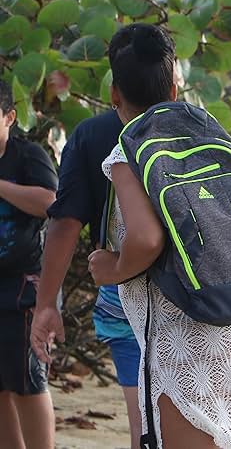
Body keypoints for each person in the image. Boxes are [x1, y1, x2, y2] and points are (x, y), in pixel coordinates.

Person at [86, 23, 231, 449]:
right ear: (174, 87)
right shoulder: (210, 136)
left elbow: (147, 239)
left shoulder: (128, 152)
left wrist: (113, 269)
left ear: (115, 93)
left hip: (181, 337)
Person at [31, 38, 142, 449]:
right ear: (173, 91)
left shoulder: (93, 134)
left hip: (125, 292)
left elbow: (65, 224)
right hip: (203, 296)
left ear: (113, 92)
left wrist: (47, 304)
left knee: (144, 426)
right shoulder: (201, 129)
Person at [0, 78, 58, 449]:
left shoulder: (27, 156)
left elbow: (51, 202)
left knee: (26, 379)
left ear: (8, 117)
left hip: (22, 286)